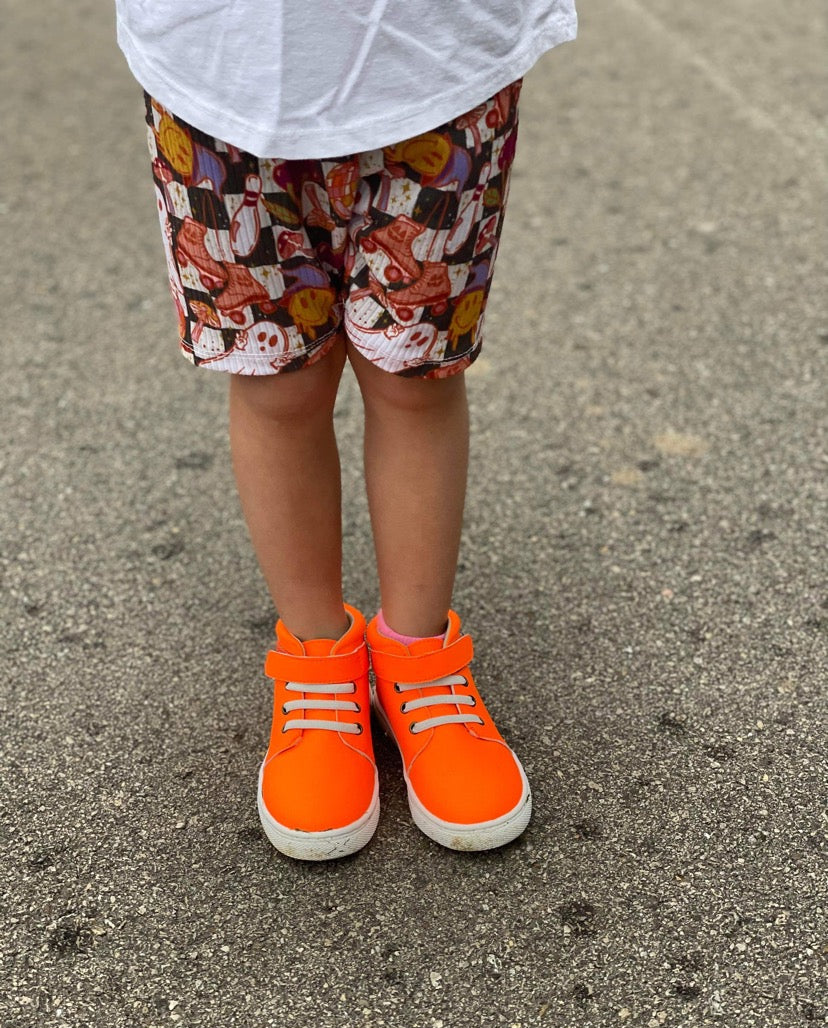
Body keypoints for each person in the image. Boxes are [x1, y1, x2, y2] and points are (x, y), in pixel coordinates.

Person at [115, 1, 578, 860]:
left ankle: (418, 655)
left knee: (414, 375)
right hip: (217, 75)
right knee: (276, 383)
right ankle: (320, 657)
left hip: (437, 66)